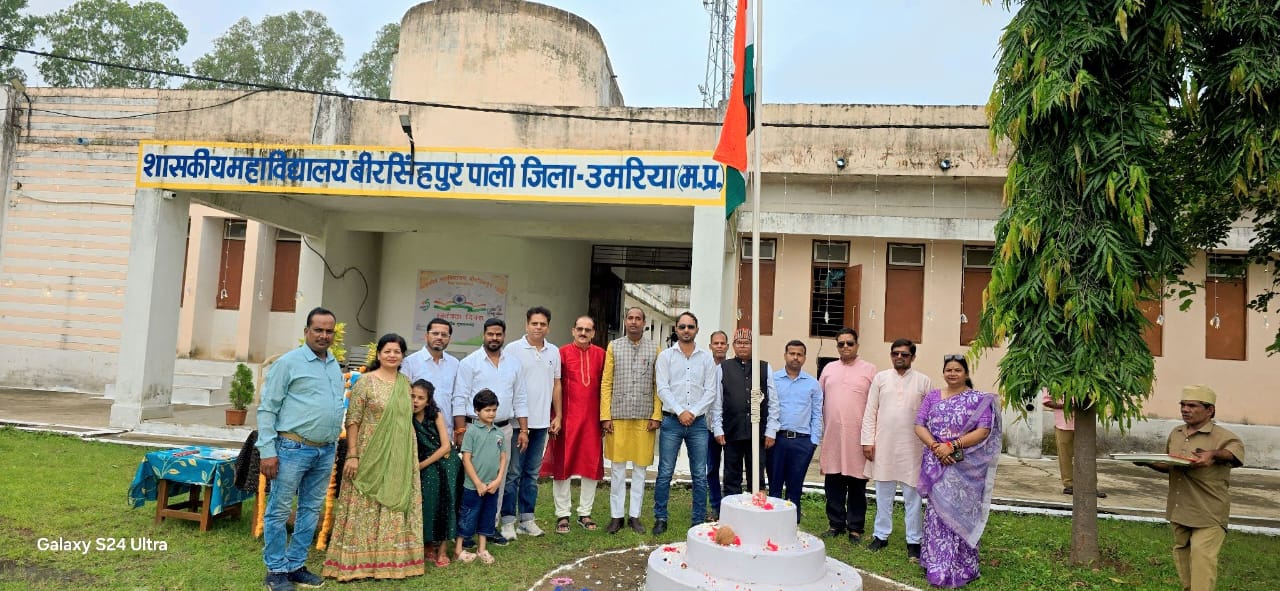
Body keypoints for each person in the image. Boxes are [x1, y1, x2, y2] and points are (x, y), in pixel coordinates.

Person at [322, 333, 425, 581]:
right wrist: (353, 455)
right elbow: (353, 419)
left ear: (402, 356)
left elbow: (407, 418)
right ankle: (358, 563)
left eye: (397, 351)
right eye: (387, 351)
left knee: (396, 501)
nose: (392, 355)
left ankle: (392, 561)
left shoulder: (405, 383)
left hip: (400, 452)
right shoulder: (365, 382)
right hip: (369, 450)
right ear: (379, 354)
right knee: (364, 504)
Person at [257, 307, 347, 591]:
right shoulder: (289, 363)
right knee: (279, 510)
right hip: (291, 448)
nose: (323, 335)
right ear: (306, 331)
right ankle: (275, 570)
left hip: (325, 450)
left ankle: (295, 565)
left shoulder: (333, 363)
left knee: (310, 510)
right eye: (318, 330)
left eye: (328, 331)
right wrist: (267, 451)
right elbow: (267, 408)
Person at [1142, 385, 1244, 591]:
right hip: (1180, 508)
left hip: (1209, 511)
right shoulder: (1177, 433)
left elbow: (1234, 455)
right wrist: (1145, 461)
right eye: (1183, 405)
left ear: (1210, 410)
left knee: (1202, 559)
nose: (1185, 409)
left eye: (1192, 405)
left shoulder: (1223, 436)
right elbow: (1171, 465)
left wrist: (1213, 454)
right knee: (1183, 555)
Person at [913, 354, 1001, 588]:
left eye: (957, 370)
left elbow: (984, 430)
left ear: (966, 373)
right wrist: (936, 447)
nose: (952, 373)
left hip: (965, 465)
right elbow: (919, 424)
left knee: (961, 510)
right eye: (948, 370)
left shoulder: (977, 399)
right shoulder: (932, 397)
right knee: (937, 512)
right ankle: (937, 563)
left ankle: (962, 564)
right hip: (937, 460)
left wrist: (952, 446)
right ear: (943, 372)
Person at [452, 318, 523, 546]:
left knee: (497, 480)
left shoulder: (513, 363)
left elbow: (520, 397)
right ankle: (467, 531)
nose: (494, 338)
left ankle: (489, 527)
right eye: (490, 334)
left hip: (503, 429)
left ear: (504, 336)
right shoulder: (470, 362)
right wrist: (461, 429)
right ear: (484, 334)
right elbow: (460, 397)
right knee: (471, 481)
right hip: (474, 428)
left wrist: (523, 429)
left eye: (498, 334)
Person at [862, 339, 931, 560]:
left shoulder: (923, 381)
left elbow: (930, 417)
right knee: (883, 495)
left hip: (913, 448)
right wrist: (867, 441)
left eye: (904, 354)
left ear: (913, 357)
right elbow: (870, 411)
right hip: (884, 446)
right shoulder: (881, 378)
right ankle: (881, 536)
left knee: (913, 497)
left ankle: (914, 541)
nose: (899, 357)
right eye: (895, 354)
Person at [500, 306, 562, 541]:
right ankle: (507, 521)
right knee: (513, 472)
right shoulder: (513, 349)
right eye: (534, 323)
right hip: (518, 423)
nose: (538, 327)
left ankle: (527, 519)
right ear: (527, 325)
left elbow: (557, 384)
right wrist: (520, 423)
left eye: (542, 324)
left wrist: (558, 416)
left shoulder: (553, 352)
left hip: (542, 423)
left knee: (532, 473)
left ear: (548, 326)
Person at [652, 311, 717, 535]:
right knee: (665, 471)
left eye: (690, 327)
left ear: (697, 329)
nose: (686, 330)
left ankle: (698, 519)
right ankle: (660, 517)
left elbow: (711, 391)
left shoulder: (706, 358)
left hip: (698, 424)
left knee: (700, 473)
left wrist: (693, 412)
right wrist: (681, 411)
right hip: (672, 422)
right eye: (682, 327)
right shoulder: (666, 357)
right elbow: (662, 387)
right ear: (676, 330)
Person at [600, 306, 662, 535]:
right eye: (630, 318)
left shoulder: (655, 348)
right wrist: (605, 416)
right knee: (617, 469)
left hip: (644, 417)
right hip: (618, 416)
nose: (634, 322)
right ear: (625, 321)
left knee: (640, 469)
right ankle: (616, 516)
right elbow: (606, 383)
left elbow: (658, 383)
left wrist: (656, 415)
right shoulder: (614, 347)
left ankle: (634, 515)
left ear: (644, 323)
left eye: (638, 318)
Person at [543, 315, 606, 533]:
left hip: (592, 420)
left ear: (593, 333)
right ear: (572, 331)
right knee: (563, 466)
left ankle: (584, 512)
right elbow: (554, 385)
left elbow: (605, 388)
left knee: (591, 465)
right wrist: (556, 416)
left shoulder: (601, 355)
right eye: (579, 328)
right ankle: (562, 514)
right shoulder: (561, 353)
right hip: (566, 419)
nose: (583, 333)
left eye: (588, 330)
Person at [818, 327, 876, 545]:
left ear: (857, 345)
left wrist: (870, 439)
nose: (845, 347)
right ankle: (835, 524)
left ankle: (855, 527)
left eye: (849, 343)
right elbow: (818, 400)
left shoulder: (870, 370)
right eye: (841, 343)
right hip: (833, 436)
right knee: (833, 481)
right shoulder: (829, 369)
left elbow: (874, 406)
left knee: (857, 484)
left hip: (858, 438)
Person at [710, 328, 779, 505]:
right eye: (739, 343)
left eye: (746, 343)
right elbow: (717, 400)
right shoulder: (723, 368)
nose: (742, 346)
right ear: (733, 346)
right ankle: (732, 513)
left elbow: (773, 401)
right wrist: (717, 428)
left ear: (753, 345)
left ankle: (756, 513)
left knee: (756, 475)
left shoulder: (764, 367)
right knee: (731, 475)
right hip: (731, 431)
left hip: (758, 433)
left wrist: (771, 430)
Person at [768, 340, 822, 522]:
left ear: (804, 358)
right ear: (785, 355)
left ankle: (791, 526)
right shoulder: (772, 379)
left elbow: (817, 413)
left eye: (799, 354)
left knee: (795, 486)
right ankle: (773, 523)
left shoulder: (812, 384)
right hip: (777, 440)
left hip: (802, 442)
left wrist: (813, 442)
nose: (795, 357)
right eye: (792, 353)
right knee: (774, 484)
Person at [455, 389, 508, 565]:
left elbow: (503, 457)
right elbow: (466, 459)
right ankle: (458, 549)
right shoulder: (471, 432)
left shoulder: (499, 433)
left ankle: (482, 549)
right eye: (487, 410)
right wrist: (477, 482)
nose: (491, 413)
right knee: (468, 516)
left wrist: (498, 480)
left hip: (492, 485)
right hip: (473, 486)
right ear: (477, 411)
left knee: (487, 516)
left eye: (494, 410)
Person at [412, 379, 460, 569]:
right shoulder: (406, 415)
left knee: (447, 500)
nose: (415, 401)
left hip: (445, 460)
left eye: (420, 398)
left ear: (428, 400)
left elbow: (446, 445)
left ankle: (442, 549)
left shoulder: (436, 415)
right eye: (412, 396)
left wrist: (421, 465)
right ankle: (428, 544)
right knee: (427, 501)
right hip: (425, 463)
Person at [403, 318, 461, 446]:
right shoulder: (410, 362)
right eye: (435, 333)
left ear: (449, 339)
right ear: (426, 336)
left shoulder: (455, 364)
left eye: (444, 335)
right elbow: (404, 397)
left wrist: (459, 430)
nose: (439, 337)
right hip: (417, 430)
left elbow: (457, 399)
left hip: (446, 431)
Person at [1042, 388, 1107, 498]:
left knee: (1087, 456)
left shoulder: (1087, 376)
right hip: (1063, 423)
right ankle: (1069, 485)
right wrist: (1067, 406)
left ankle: (1090, 486)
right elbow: (1047, 401)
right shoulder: (1052, 379)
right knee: (1064, 456)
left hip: (1084, 423)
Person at [706, 330, 730, 520]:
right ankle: (715, 506)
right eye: (716, 343)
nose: (720, 346)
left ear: (727, 346)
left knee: (730, 470)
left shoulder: (732, 368)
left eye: (723, 343)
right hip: (706, 427)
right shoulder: (704, 367)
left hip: (729, 427)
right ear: (710, 346)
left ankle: (730, 508)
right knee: (712, 468)